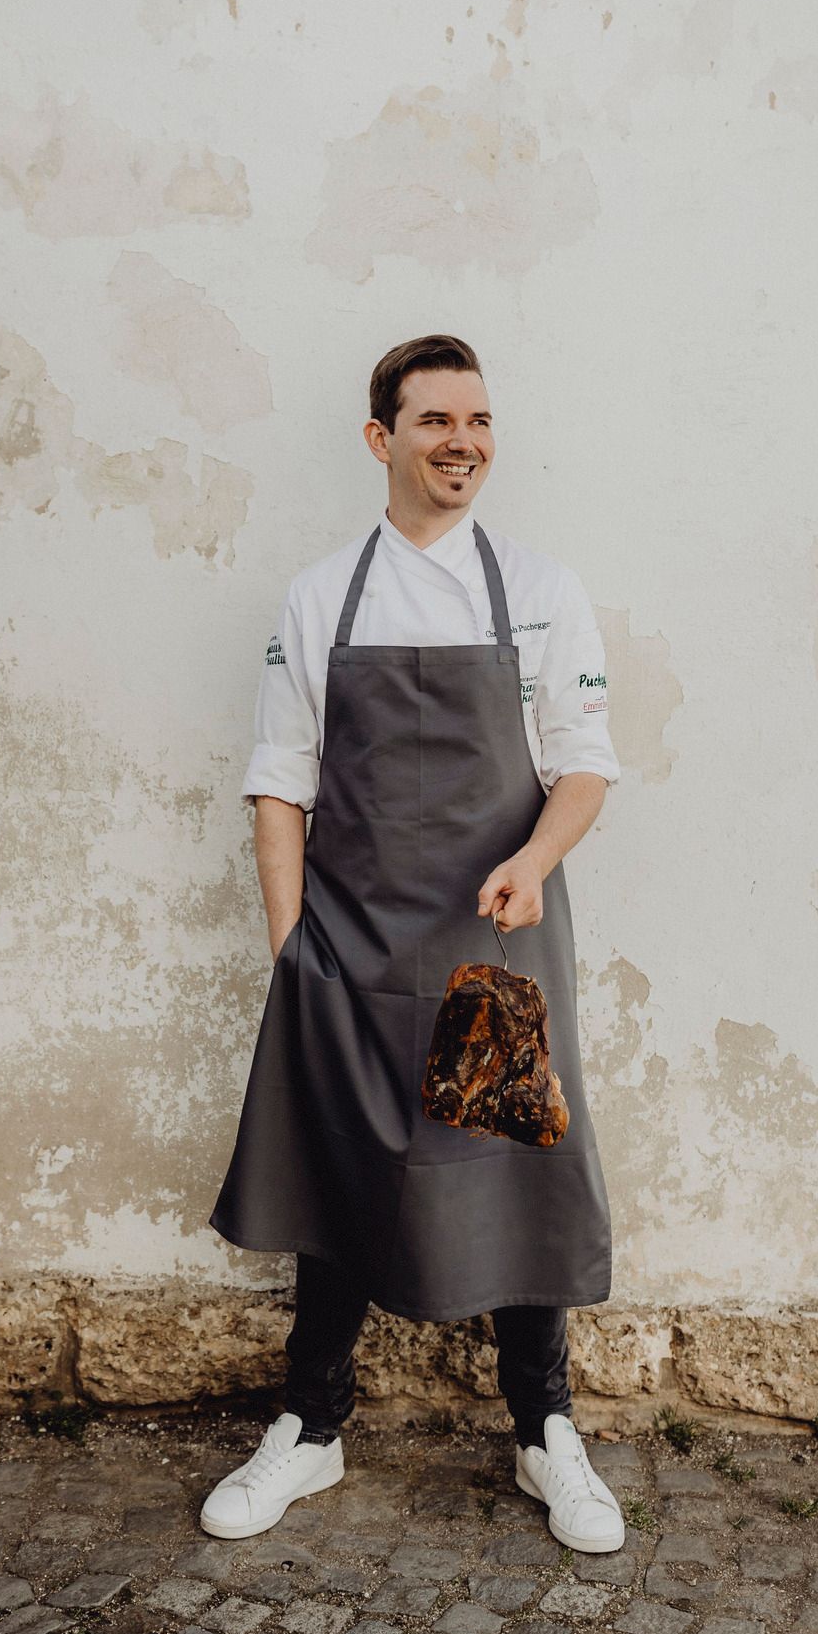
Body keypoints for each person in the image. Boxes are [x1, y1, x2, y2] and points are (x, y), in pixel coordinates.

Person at [204, 333, 624, 1553]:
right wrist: (294, 944)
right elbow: (281, 778)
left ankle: (546, 1431)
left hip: (494, 943)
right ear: (381, 437)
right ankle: (310, 1427)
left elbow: (585, 765)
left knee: (518, 1174)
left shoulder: (540, 588)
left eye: (479, 419)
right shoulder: (321, 595)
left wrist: (532, 862)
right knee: (339, 1172)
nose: (463, 442)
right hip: (350, 945)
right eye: (435, 419)